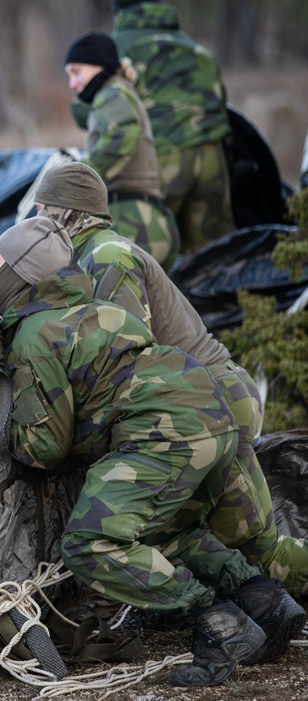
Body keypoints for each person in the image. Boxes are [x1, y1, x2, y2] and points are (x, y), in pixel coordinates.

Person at [0, 216, 304, 687]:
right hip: (215, 413)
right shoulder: (95, 310)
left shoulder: (35, 337)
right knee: (173, 534)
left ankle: (217, 623)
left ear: (19, 274)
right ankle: (265, 603)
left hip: (168, 433)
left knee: (90, 544)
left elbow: (44, 448)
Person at [32, 160, 308, 600]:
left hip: (202, 408)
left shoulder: (105, 256)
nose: (37, 220)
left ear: (64, 212)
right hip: (204, 405)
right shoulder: (98, 251)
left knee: (234, 545)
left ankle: (220, 616)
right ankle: (256, 609)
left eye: (42, 209)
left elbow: (125, 355)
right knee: (245, 546)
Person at [110, 0, 235, 253]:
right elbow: (221, 101)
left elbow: (103, 107)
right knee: (216, 257)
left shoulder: (121, 48)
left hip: (164, 156)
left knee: (143, 255)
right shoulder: (193, 46)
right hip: (213, 156)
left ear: (118, 13)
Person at [63, 31, 179, 272]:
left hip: (134, 224)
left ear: (99, 66)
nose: (73, 84)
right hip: (146, 223)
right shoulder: (118, 92)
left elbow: (122, 133)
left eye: (76, 72)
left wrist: (76, 179)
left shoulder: (112, 93)